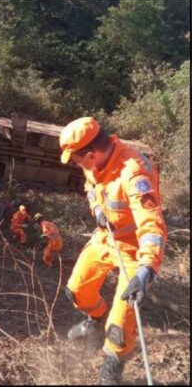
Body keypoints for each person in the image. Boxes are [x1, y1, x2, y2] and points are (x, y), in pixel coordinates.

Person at [59, 117, 167, 385]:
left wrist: (145, 271)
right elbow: (91, 188)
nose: (77, 165)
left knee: (119, 325)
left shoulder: (134, 172)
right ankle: (95, 319)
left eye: (77, 160)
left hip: (133, 250)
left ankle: (113, 368)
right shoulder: (93, 164)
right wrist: (97, 209)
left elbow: (152, 225)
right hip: (106, 239)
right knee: (77, 291)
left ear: (91, 154)